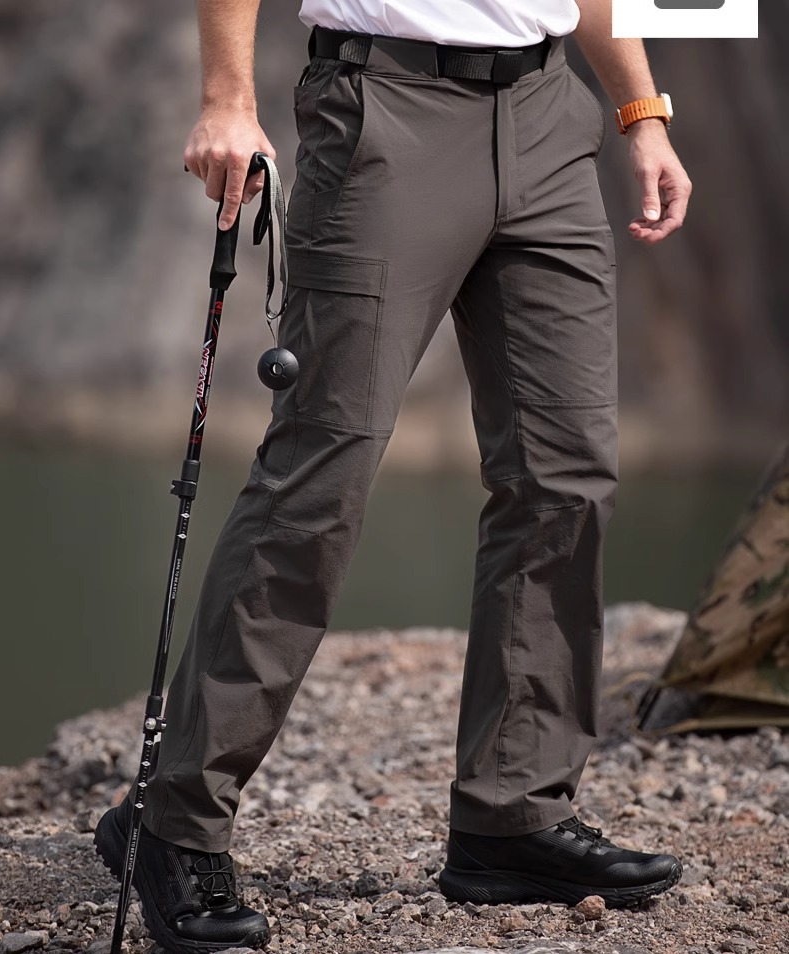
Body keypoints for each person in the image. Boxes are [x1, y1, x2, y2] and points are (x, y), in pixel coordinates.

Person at [95, 1, 692, 951]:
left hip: (550, 116)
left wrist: (641, 112)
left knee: (565, 477)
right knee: (320, 479)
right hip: (386, 109)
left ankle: (514, 814)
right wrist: (226, 100)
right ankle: (174, 821)